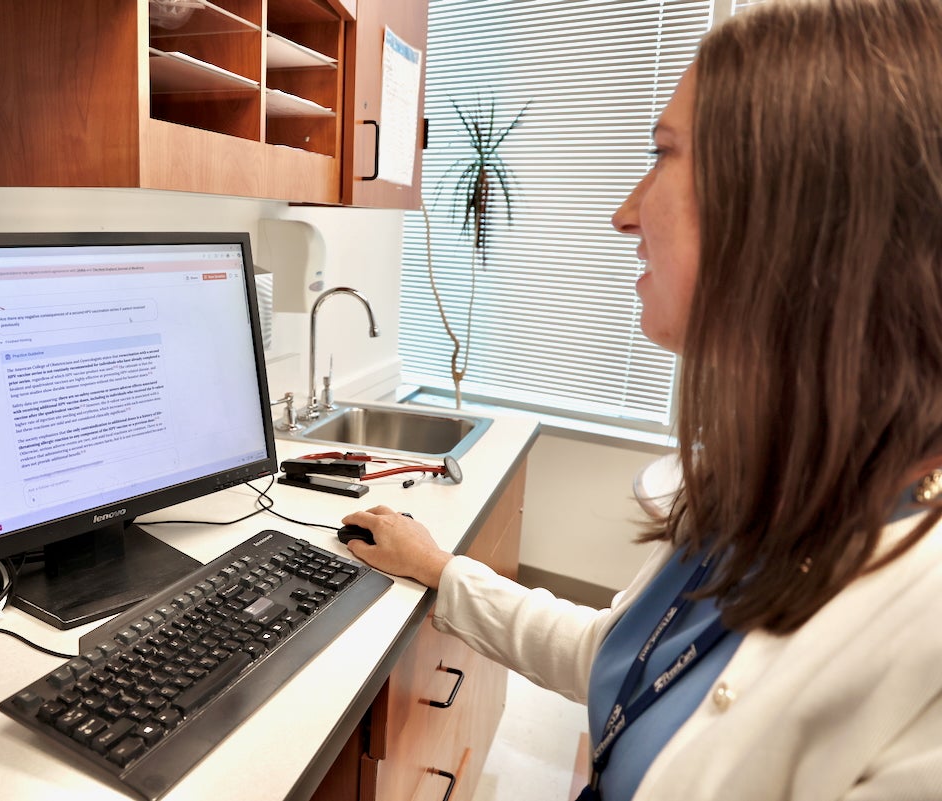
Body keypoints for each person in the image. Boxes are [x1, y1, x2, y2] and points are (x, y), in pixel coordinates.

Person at [341, 1, 942, 798]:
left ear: (798, 211)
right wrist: (444, 572)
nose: (624, 213)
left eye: (663, 153)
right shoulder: (766, 484)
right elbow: (625, 659)